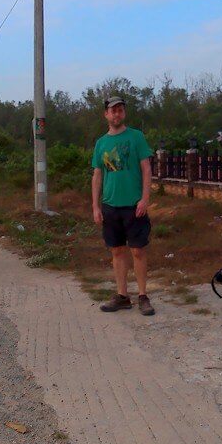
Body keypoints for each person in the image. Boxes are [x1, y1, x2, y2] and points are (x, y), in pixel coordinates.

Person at [92, 96, 155, 315]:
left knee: (138, 250)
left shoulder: (136, 137)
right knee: (117, 250)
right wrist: (96, 206)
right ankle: (122, 296)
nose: (116, 114)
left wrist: (145, 198)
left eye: (120, 110)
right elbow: (98, 174)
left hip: (134, 205)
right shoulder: (101, 143)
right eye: (112, 110)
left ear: (124, 113)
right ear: (106, 115)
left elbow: (146, 168)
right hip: (110, 205)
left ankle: (143, 296)